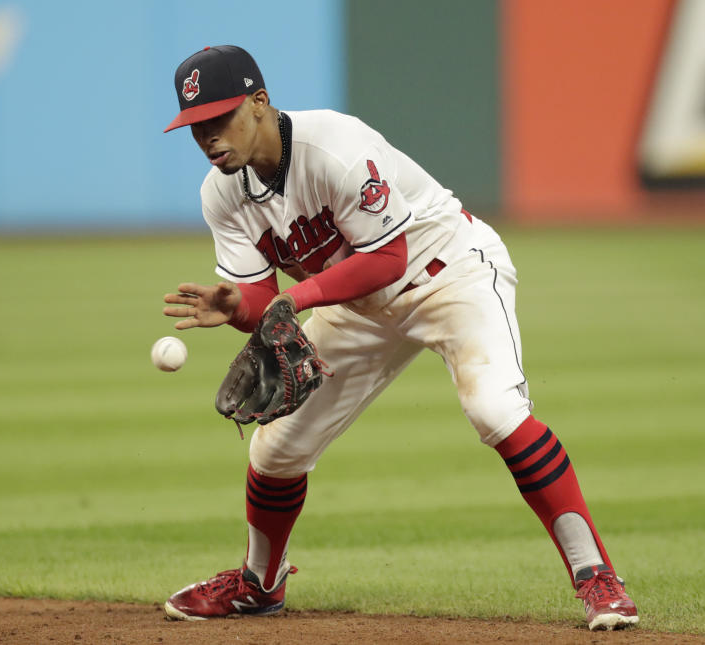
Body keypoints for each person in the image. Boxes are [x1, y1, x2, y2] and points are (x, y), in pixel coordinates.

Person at [160, 45, 638, 631]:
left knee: (493, 410)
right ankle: (260, 587)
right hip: (354, 306)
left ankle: (598, 578)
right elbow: (264, 302)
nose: (208, 136)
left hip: (448, 273)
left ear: (260, 103)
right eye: (194, 126)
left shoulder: (333, 145)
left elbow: (388, 257)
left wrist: (295, 299)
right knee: (274, 451)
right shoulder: (222, 194)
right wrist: (237, 307)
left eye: (219, 117)